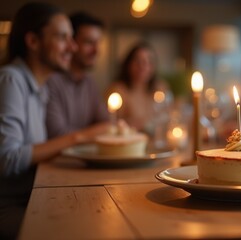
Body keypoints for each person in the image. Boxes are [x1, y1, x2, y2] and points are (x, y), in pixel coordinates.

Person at [0, 3, 106, 238]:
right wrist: (79, 137)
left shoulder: (41, 88)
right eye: (63, 38)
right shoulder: (11, 79)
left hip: (35, 196)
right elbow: (7, 159)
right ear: (33, 41)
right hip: (11, 206)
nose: (73, 46)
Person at [45, 11, 109, 138]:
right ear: (71, 43)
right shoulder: (50, 80)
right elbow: (57, 134)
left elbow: (105, 121)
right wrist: (101, 130)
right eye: (89, 42)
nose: (96, 50)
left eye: (98, 43)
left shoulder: (90, 83)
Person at [107, 41, 172, 133]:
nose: (143, 66)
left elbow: (168, 115)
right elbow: (110, 122)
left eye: (149, 61)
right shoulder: (118, 91)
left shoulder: (160, 87)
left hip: (155, 141)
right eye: (138, 61)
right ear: (128, 64)